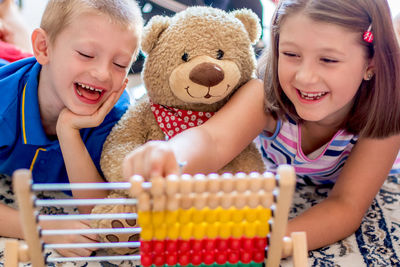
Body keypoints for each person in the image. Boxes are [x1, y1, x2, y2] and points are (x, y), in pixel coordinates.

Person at [123, 0, 400, 256]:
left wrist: (271, 240)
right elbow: (212, 139)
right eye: (291, 54)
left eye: (328, 60)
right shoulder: (264, 93)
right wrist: (171, 154)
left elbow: (345, 206)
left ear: (371, 63)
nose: (305, 76)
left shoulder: (388, 112)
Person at [0, 0, 142, 257]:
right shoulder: (4, 102)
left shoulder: (116, 115)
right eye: (87, 54)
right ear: (43, 48)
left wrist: (69, 131)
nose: (102, 73)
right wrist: (44, 227)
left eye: (120, 64)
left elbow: (99, 212)